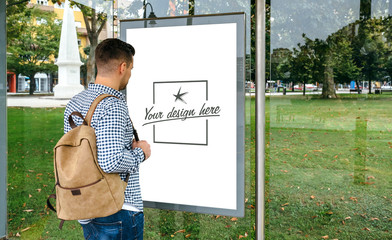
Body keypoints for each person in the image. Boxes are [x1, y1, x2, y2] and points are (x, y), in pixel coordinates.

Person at [63, 38, 151, 240]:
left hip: (86, 205)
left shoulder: (75, 102)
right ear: (122, 67)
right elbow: (111, 161)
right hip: (117, 209)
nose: (130, 74)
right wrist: (141, 153)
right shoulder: (113, 105)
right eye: (130, 69)